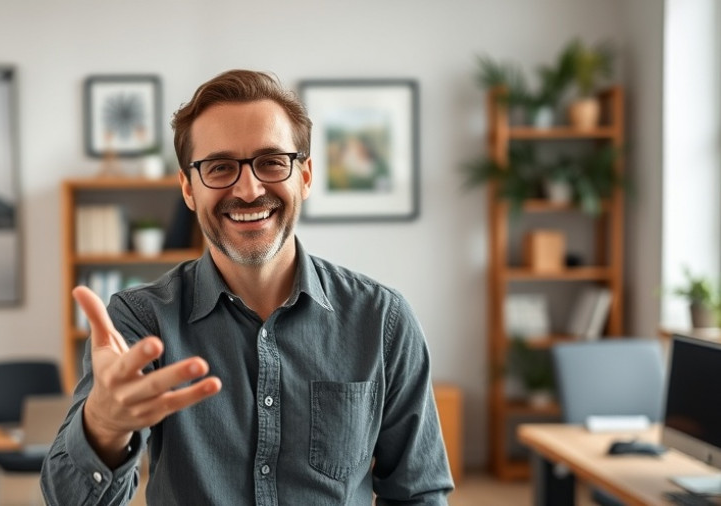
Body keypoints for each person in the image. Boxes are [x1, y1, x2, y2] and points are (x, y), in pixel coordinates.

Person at [41, 69, 453, 505]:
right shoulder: (141, 321)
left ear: (306, 176)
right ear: (188, 189)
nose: (250, 189)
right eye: (219, 167)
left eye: (272, 162)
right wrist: (103, 427)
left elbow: (418, 495)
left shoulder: (382, 320)